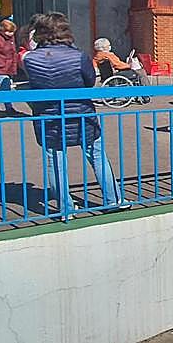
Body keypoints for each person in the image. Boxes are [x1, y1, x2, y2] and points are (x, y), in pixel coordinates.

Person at [23, 12, 125, 213]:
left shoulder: (30, 59)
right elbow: (89, 82)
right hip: (81, 115)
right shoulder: (79, 56)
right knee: (96, 156)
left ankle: (65, 208)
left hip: (48, 117)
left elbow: (34, 85)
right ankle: (113, 201)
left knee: (55, 161)